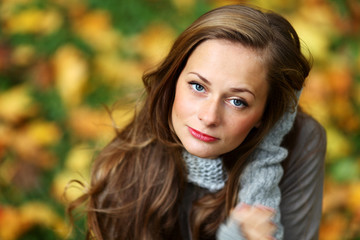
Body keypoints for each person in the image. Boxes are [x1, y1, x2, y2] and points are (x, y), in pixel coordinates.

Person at [68, 4, 326, 240]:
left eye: (237, 101)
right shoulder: (130, 168)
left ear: (266, 115)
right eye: (197, 86)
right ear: (174, 79)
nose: (209, 117)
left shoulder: (300, 140)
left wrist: (265, 157)